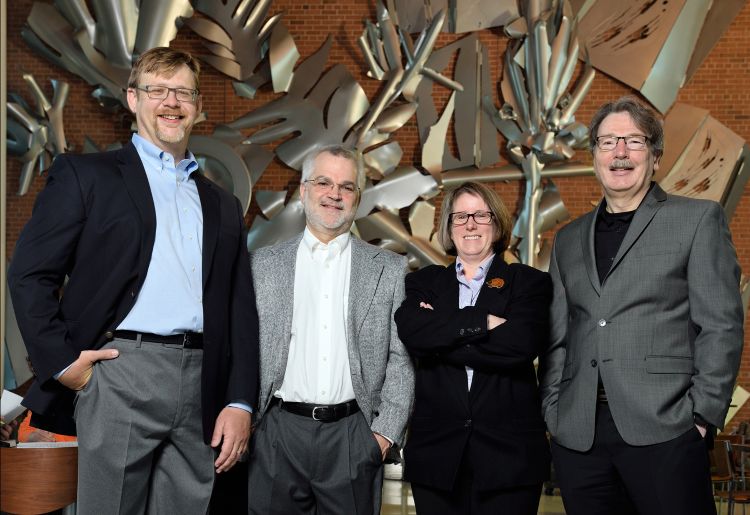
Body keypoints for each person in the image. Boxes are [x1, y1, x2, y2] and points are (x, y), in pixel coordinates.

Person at [7, 47, 259, 514]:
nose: (171, 102)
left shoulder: (221, 204)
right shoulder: (86, 176)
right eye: (157, 90)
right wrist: (65, 365)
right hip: (120, 372)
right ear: (132, 99)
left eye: (183, 92)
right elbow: (29, 275)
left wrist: (240, 401)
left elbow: (239, 311)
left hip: (203, 383)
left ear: (198, 106)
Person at [539, 96, 744, 515]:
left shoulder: (697, 220)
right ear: (593, 154)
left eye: (633, 141)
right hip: (580, 437)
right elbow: (558, 336)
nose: (620, 153)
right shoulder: (567, 239)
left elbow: (721, 325)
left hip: (667, 428)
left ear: (654, 157)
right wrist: (554, 414)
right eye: (608, 141)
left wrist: (701, 417)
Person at [247, 144, 414, 515]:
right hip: (276, 432)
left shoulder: (388, 270)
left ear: (357, 197)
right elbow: (242, 350)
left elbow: (401, 358)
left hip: (354, 435)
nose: (334, 194)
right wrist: (252, 423)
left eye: (347, 186)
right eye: (323, 182)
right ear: (303, 190)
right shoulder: (262, 266)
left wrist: (383, 434)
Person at [394, 181, 552, 514]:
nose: (470, 224)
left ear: (496, 225)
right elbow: (414, 334)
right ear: (448, 228)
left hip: (509, 458)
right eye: (460, 216)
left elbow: (521, 345)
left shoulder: (529, 282)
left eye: (481, 215)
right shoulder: (422, 282)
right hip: (436, 455)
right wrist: (485, 323)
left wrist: (442, 332)